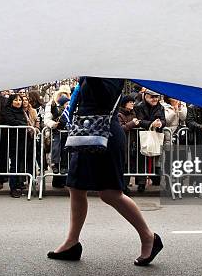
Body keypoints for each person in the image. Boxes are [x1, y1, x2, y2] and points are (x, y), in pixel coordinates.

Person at [48, 77, 163, 266]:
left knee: (110, 194)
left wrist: (90, 73)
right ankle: (72, 242)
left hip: (106, 135)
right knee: (75, 187)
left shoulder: (110, 72)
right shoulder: (89, 73)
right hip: (86, 133)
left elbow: (105, 98)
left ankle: (149, 237)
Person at [2, 93, 34, 198]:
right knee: (14, 164)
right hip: (13, 141)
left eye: (20, 100)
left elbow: (23, 122)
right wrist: (23, 125)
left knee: (20, 163)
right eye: (16, 100)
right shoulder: (8, 110)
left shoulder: (22, 111)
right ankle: (13, 188)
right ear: (11, 101)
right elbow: (12, 122)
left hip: (23, 141)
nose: (18, 102)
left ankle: (19, 184)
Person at [134, 89, 166, 191]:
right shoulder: (139, 106)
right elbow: (139, 120)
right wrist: (152, 124)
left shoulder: (160, 107)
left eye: (156, 96)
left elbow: (163, 120)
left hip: (155, 135)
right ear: (146, 96)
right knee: (142, 158)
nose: (155, 99)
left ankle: (155, 178)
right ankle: (141, 183)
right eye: (152, 97)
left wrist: (160, 123)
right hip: (142, 135)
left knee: (156, 156)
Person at [117, 94, 140, 194]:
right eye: (130, 102)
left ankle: (125, 186)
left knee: (129, 165)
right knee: (124, 165)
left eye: (133, 102)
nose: (132, 104)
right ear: (124, 103)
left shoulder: (133, 113)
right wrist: (132, 123)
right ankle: (123, 187)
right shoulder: (119, 115)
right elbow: (120, 128)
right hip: (123, 143)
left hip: (131, 143)